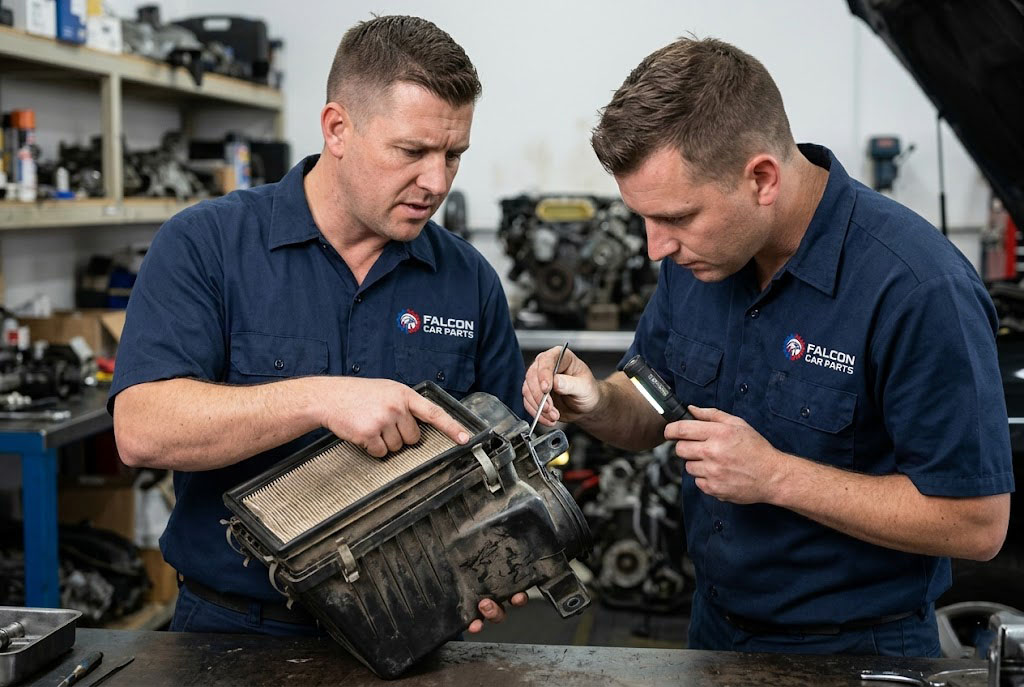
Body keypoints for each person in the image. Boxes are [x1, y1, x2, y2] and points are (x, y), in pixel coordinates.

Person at [524, 35, 1013, 656]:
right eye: (644, 220)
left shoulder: (918, 288)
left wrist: (777, 477)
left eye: (676, 218)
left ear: (761, 178)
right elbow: (652, 401)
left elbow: (976, 524)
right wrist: (597, 401)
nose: (656, 248)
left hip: (858, 653)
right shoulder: (697, 259)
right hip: (713, 631)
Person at [110, 15, 527, 636]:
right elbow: (142, 429)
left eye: (453, 155)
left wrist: (490, 565)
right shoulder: (207, 245)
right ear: (338, 128)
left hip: (410, 624)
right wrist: (319, 398)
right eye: (411, 152)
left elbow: (504, 464)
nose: (436, 182)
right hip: (234, 631)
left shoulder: (467, 279)